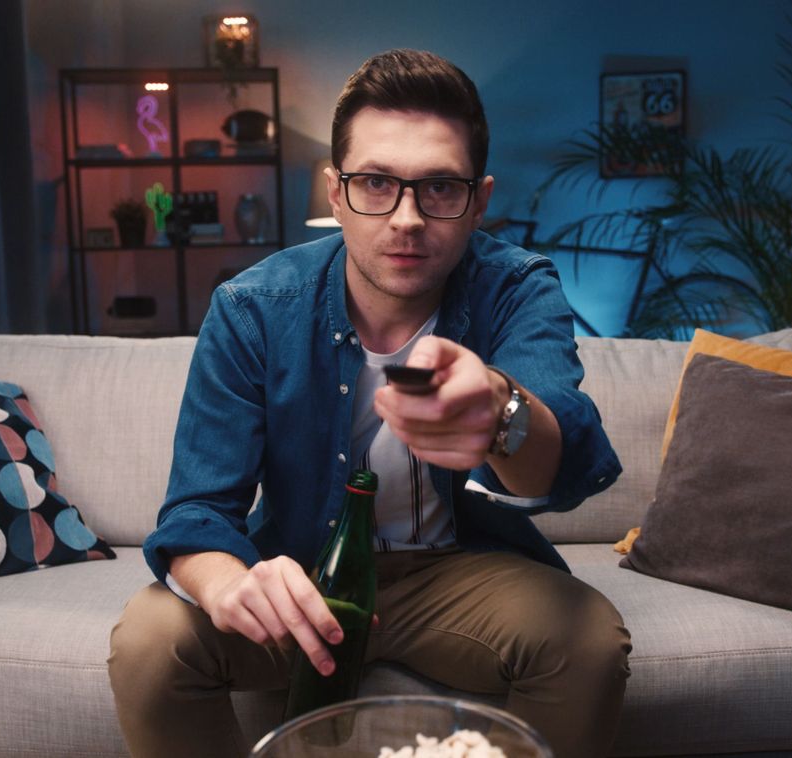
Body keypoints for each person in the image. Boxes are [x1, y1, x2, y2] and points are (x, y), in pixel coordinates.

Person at [108, 49, 630, 758]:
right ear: (335, 191)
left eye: (439, 187)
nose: (407, 218)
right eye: (376, 183)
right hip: (304, 567)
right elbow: (196, 510)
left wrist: (499, 412)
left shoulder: (515, 287)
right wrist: (230, 584)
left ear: (479, 199)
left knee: (586, 638)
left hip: (456, 568)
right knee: (149, 638)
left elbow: (558, 461)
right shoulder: (253, 307)